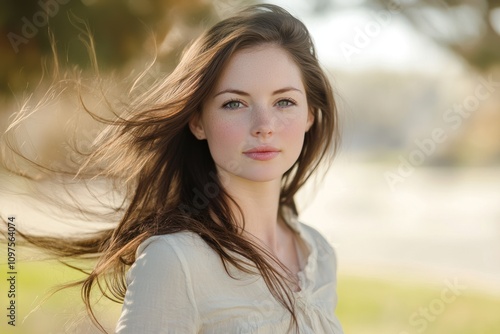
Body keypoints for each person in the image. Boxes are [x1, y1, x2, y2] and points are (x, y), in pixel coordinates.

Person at [2, 4, 342, 333]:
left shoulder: (318, 253)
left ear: (310, 114)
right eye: (234, 103)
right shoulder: (174, 260)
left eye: (285, 101)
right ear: (198, 121)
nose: (264, 125)